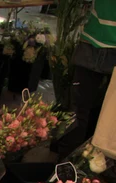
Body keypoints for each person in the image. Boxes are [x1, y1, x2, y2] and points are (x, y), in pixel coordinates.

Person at [57, 0, 116, 158]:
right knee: (80, 113)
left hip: (94, 43)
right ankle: (69, 167)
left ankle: (71, 167)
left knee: (81, 111)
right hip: (92, 42)